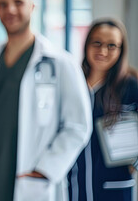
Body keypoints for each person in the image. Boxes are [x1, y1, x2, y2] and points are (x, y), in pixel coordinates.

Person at [0, 0, 92, 201]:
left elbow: (78, 126)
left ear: (33, 6)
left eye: (18, 2)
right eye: (3, 4)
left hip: (28, 181)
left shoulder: (60, 63)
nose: (10, 10)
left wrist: (45, 170)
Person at [67, 18, 138, 201]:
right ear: (87, 44)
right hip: (74, 183)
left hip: (114, 185)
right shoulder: (73, 83)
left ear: (121, 50)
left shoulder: (131, 86)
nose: (103, 51)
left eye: (112, 45)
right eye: (96, 43)